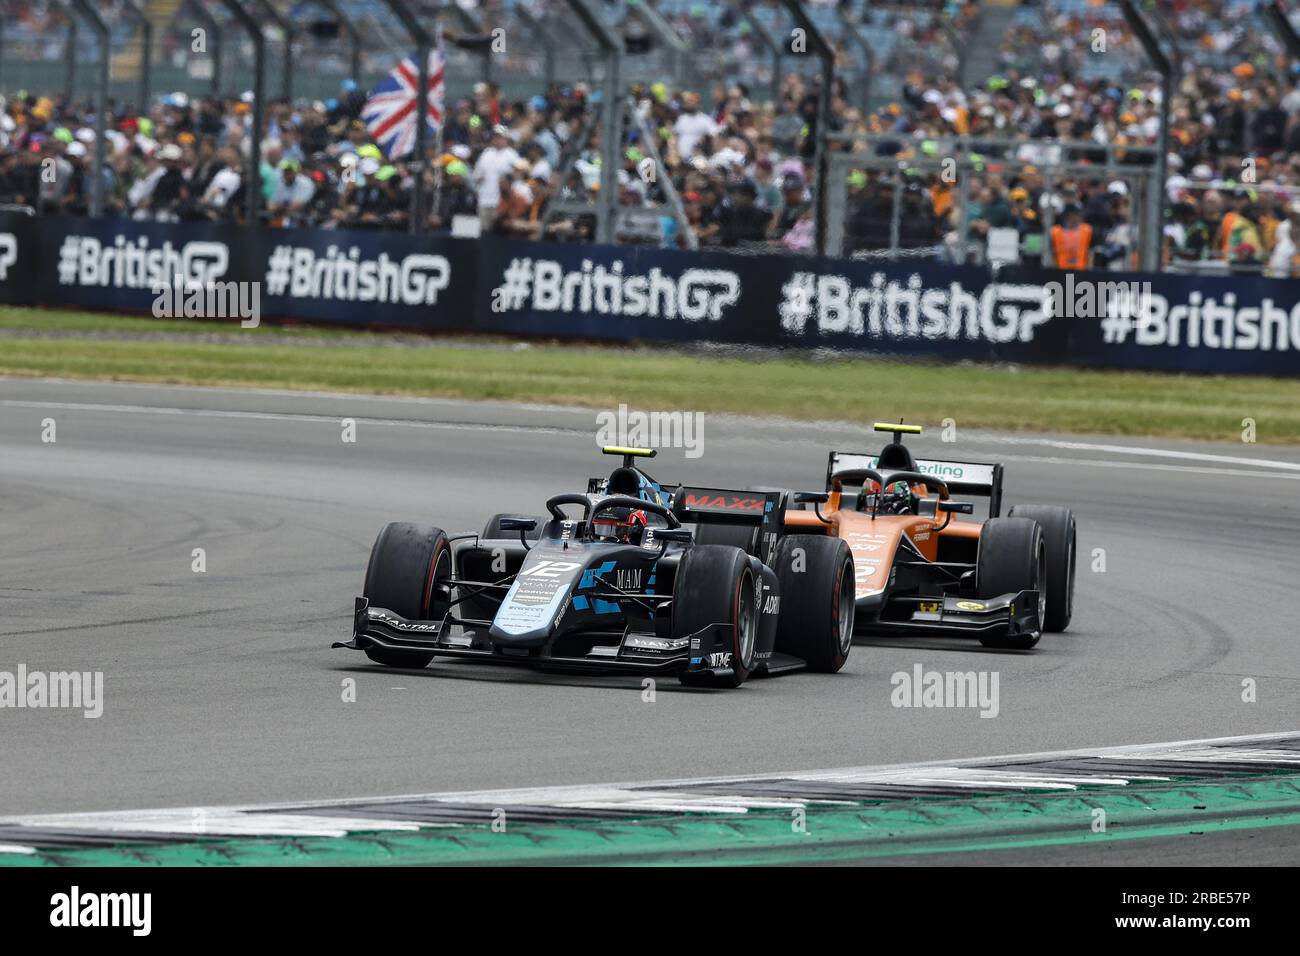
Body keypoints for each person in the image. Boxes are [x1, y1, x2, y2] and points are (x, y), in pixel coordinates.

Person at [1050, 204, 1093, 270]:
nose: (1078, 217)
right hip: (1061, 271)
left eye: (1078, 215)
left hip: (1081, 271)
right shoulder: (1055, 231)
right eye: (1075, 215)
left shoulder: (1087, 230)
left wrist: (1089, 271)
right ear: (1068, 216)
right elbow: (1053, 254)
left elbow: (1090, 252)